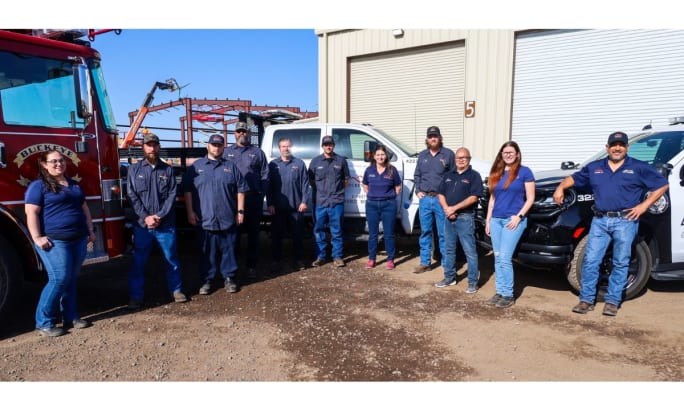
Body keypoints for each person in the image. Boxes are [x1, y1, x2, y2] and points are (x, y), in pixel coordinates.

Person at [553, 131, 668, 316]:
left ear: (626, 148)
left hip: (626, 221)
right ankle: (586, 300)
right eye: (614, 145)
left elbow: (662, 184)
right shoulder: (595, 167)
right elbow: (573, 178)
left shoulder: (638, 167)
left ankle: (613, 301)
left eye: (621, 145)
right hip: (600, 220)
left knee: (620, 262)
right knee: (591, 261)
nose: (617, 148)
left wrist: (644, 206)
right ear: (607, 148)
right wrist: (560, 187)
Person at [25, 150, 96, 337]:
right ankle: (44, 322)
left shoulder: (73, 185)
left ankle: (70, 317)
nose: (59, 164)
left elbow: (84, 208)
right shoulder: (38, 186)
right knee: (59, 278)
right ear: (44, 165)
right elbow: (31, 212)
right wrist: (37, 237)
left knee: (71, 279)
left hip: (78, 238)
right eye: (54, 161)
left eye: (61, 160)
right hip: (55, 240)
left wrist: (90, 230)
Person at [126, 132, 186, 310]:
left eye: (154, 145)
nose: (152, 148)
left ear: (159, 147)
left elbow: (171, 196)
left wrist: (159, 216)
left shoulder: (167, 170)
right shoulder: (134, 170)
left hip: (164, 225)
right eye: (148, 145)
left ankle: (176, 290)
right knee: (138, 262)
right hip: (142, 225)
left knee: (171, 259)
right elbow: (132, 196)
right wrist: (146, 216)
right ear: (143, 147)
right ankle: (136, 296)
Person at [183, 134, 248, 294]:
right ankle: (207, 280)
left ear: (223, 147)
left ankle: (229, 278)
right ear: (208, 146)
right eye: (214, 145)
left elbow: (241, 190)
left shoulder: (231, 167)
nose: (216, 148)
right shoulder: (196, 167)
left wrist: (240, 211)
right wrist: (190, 211)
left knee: (229, 250)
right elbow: (187, 190)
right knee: (207, 251)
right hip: (205, 217)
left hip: (227, 217)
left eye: (219, 145)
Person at [485, 141, 535, 309]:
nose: (508, 155)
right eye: (505, 152)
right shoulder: (497, 173)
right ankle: (499, 291)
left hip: (512, 221)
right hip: (496, 221)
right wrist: (488, 220)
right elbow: (493, 199)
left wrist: (519, 217)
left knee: (505, 258)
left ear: (517, 154)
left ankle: (508, 294)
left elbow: (530, 198)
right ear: (501, 155)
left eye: (511, 152)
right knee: (497, 257)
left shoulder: (525, 172)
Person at [223, 121, 269, 280]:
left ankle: (251, 266)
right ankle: (232, 267)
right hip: (232, 201)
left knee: (253, 235)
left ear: (249, 133)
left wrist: (260, 194)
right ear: (234, 134)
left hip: (252, 199)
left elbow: (265, 175)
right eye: (239, 131)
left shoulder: (257, 152)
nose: (241, 133)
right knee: (232, 235)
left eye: (244, 131)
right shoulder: (226, 152)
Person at [436, 147, 483, 293]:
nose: (460, 160)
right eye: (458, 158)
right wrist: (447, 209)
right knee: (449, 249)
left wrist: (454, 208)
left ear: (469, 159)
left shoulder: (474, 176)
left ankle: (472, 282)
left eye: (464, 157)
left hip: (465, 218)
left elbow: (474, 197)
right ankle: (449, 277)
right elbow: (440, 193)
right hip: (448, 217)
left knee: (470, 251)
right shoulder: (449, 175)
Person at [413, 125, 455, 273]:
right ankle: (425, 263)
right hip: (425, 199)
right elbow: (417, 175)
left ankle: (446, 264)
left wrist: (449, 196)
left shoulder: (448, 154)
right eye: (430, 136)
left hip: (441, 199)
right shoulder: (422, 156)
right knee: (425, 232)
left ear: (440, 138)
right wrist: (418, 190)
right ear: (427, 139)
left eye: (435, 136)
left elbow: (454, 177)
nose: (433, 138)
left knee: (444, 233)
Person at [267, 137, 310, 273]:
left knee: (297, 236)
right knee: (277, 236)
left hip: (296, 207)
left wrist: (304, 201)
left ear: (292, 147)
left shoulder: (299, 163)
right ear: (279, 149)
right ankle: (276, 261)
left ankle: (298, 260)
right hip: (278, 208)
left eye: (288, 146)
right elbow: (269, 187)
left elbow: (305, 184)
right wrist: (270, 203)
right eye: (283, 146)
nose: (286, 149)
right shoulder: (273, 165)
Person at [309, 135, 350, 267]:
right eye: (326, 144)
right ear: (322, 146)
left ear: (333, 145)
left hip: (336, 202)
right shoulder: (315, 162)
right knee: (319, 230)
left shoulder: (341, 161)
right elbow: (311, 181)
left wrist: (336, 193)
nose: (328, 146)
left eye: (330, 144)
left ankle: (337, 257)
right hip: (320, 202)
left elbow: (346, 180)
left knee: (336, 230)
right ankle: (320, 257)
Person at [361, 144, 402, 270]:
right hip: (372, 205)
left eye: (382, 154)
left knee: (388, 234)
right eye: (378, 154)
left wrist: (388, 197)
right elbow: (365, 185)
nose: (380, 157)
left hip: (388, 205)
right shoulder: (369, 170)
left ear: (386, 156)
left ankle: (390, 260)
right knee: (373, 234)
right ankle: (372, 259)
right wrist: (374, 195)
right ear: (374, 156)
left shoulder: (392, 170)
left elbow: (398, 187)